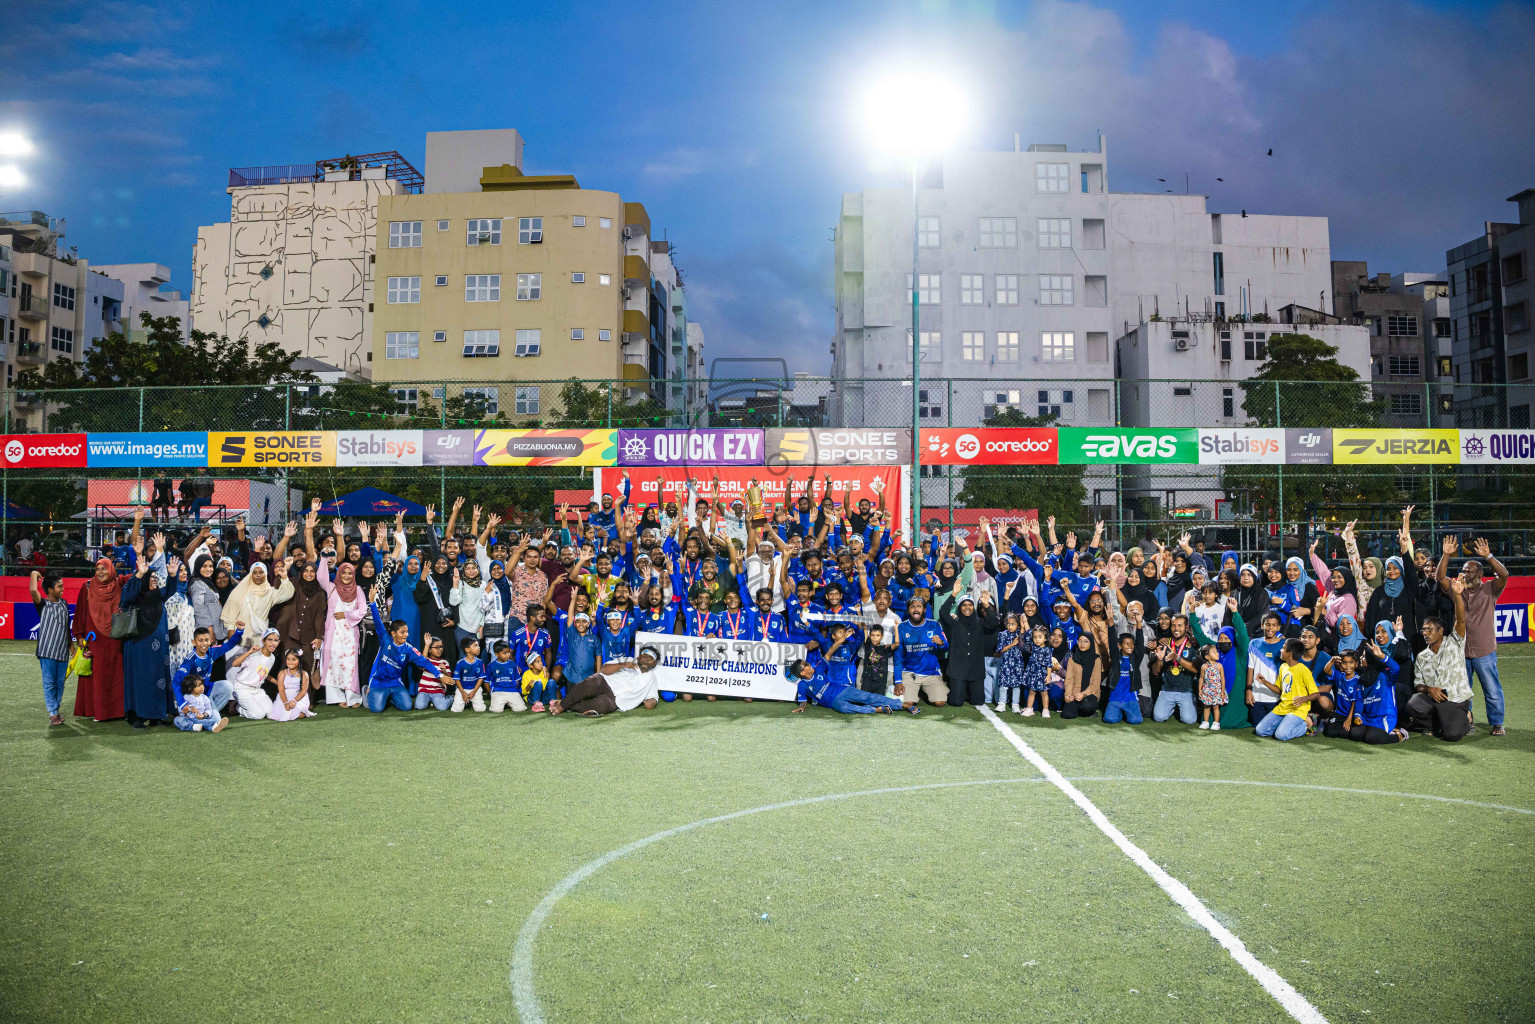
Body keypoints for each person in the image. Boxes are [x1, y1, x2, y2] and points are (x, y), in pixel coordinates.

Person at [1439, 535, 1508, 736]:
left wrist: (1489, 556)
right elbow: (1440, 578)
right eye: (1464, 571)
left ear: (1480, 573)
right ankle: (1466, 722)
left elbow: (1504, 575)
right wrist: (1446, 555)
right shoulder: (1457, 590)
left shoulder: (1490, 589)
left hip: (1484, 649)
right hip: (1461, 650)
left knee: (1492, 690)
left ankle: (1497, 723)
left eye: (1470, 571)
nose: (1465, 574)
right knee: (1462, 690)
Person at [1407, 575, 1473, 742]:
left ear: (1441, 630)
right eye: (1423, 630)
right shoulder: (1422, 657)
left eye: (1430, 630)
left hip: (1456, 700)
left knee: (1452, 735)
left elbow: (1461, 619)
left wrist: (1458, 595)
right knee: (1413, 704)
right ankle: (1434, 724)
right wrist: (1430, 690)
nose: (1425, 634)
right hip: (1434, 700)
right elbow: (1418, 685)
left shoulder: (1455, 642)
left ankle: (1468, 718)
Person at [121, 533, 173, 729]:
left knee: (158, 678)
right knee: (139, 680)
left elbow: (170, 588)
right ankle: (136, 716)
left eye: (155, 579)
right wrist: (140, 574)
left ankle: (157, 716)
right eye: (150, 579)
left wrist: (171, 571)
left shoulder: (158, 596)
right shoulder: (135, 594)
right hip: (138, 646)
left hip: (159, 650)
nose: (154, 581)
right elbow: (125, 597)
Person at [73, 554, 133, 722]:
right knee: (97, 676)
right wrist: (79, 636)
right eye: (97, 569)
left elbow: (136, 576)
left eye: (104, 568)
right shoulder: (87, 586)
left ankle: (118, 711)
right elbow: (80, 613)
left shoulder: (119, 583)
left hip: (116, 637)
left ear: (111, 569)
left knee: (117, 675)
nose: (100, 572)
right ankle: (98, 712)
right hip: (94, 639)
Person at [789, 642, 916, 716]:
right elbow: (803, 700)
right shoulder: (802, 685)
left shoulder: (818, 668)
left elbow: (829, 652)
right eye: (806, 665)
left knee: (867, 696)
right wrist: (802, 706)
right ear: (802, 672)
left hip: (842, 690)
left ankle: (902, 705)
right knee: (845, 708)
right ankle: (876, 710)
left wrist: (842, 639)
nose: (809, 665)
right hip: (833, 702)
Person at [363, 592, 437, 714]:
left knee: (407, 706)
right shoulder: (385, 640)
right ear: (393, 634)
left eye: (407, 632)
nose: (406, 635)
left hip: (395, 682)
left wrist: (439, 675)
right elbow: (377, 621)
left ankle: (389, 697)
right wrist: (372, 603)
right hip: (378, 682)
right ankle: (367, 690)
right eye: (402, 632)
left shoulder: (408, 648)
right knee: (377, 709)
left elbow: (424, 662)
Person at [551, 645, 662, 717]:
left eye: (651, 658)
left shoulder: (652, 678)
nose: (647, 659)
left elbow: (654, 696)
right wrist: (622, 665)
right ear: (638, 657)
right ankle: (562, 706)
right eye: (645, 656)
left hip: (616, 701)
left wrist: (653, 702)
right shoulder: (628, 660)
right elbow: (603, 670)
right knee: (591, 682)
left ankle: (567, 704)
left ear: (654, 663)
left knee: (601, 706)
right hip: (605, 682)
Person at [1254, 639, 1322, 741]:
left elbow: (1316, 694)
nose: (1281, 650)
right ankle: (1284, 726)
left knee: (1281, 735)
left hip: (1297, 710)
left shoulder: (1304, 670)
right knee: (1260, 731)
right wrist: (1265, 682)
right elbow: (1280, 690)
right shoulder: (1283, 667)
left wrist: (1303, 699)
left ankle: (1307, 724)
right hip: (1283, 708)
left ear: (1289, 654)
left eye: (1283, 648)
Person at [940, 593, 999, 708]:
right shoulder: (954, 623)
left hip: (975, 668)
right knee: (956, 703)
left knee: (978, 701)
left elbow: (993, 623)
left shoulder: (980, 623)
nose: (967, 608)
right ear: (959, 607)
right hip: (958, 668)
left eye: (970, 605)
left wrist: (986, 605)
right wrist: (953, 595)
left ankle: (966, 692)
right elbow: (943, 612)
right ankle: (959, 691)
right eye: (964, 605)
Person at [30, 571, 71, 726]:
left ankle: (56, 709)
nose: (62, 589)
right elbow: (33, 590)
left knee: (60, 683)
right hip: (47, 652)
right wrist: (34, 573)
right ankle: (53, 713)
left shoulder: (64, 603)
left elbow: (67, 626)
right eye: (59, 586)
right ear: (50, 590)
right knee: (49, 683)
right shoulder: (42, 604)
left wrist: (71, 646)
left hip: (62, 652)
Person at [896, 597, 948, 709]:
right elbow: (898, 655)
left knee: (940, 702)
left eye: (919, 606)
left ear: (924, 609)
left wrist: (941, 643)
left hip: (930, 672)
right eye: (912, 607)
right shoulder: (902, 627)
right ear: (908, 610)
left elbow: (946, 648)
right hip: (910, 673)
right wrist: (898, 681)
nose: (915, 610)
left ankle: (931, 689)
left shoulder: (934, 625)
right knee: (908, 703)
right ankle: (915, 691)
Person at [1151, 615, 1199, 724]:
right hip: (1167, 689)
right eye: (1173, 625)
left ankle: (1188, 704)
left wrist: (1177, 658)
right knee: (1158, 717)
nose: (1176, 628)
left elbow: (1195, 670)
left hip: (1186, 690)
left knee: (1189, 720)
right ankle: (1173, 707)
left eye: (1180, 625)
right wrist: (1159, 660)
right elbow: (1155, 672)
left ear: (1186, 628)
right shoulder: (1165, 646)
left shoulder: (1192, 646)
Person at [227, 629, 281, 720]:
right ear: (263, 641)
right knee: (258, 714)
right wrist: (249, 652)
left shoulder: (272, 658)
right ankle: (236, 707)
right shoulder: (254, 654)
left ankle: (248, 704)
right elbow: (234, 664)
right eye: (270, 640)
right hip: (242, 688)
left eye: (276, 640)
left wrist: (275, 681)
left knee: (271, 712)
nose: (273, 643)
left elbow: (262, 673)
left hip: (257, 690)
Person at [1246, 612, 1286, 728]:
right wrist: (1248, 690)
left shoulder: (1284, 645)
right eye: (1268, 624)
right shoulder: (1254, 643)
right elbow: (1250, 668)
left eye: (1274, 625)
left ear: (1279, 627)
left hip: (1276, 696)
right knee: (1257, 726)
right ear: (1262, 625)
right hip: (1257, 695)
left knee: (1274, 727)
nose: (1270, 628)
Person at [1103, 631, 1146, 724]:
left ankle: (1127, 711)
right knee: (1109, 719)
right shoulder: (1115, 659)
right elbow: (1112, 640)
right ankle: (1119, 713)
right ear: (1119, 646)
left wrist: (1139, 624)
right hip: (1116, 697)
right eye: (1127, 643)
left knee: (1136, 720)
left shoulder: (1135, 659)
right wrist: (1110, 623)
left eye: (1132, 644)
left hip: (1130, 697)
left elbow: (1140, 644)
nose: (1130, 646)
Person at [990, 612, 1027, 713]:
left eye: (1013, 624)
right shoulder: (1003, 634)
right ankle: (1002, 704)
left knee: (1016, 686)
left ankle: (1015, 704)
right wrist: (1012, 644)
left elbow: (1025, 642)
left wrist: (1023, 625)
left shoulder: (1019, 634)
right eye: (1008, 624)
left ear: (1018, 625)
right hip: (1006, 663)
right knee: (1004, 684)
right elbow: (1000, 650)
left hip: (1017, 664)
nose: (1010, 626)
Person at [1061, 632, 1101, 719]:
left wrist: (1083, 694)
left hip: (1090, 693)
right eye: (1080, 641)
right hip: (1075, 693)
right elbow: (1069, 680)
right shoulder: (1072, 659)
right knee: (1066, 715)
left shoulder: (1096, 659)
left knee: (1086, 707)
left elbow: (1095, 683)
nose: (1082, 644)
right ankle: (1077, 707)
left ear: (1091, 643)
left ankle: (1091, 709)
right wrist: (1068, 694)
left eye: (1086, 641)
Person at [267, 649, 313, 722]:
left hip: (298, 696)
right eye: (288, 659)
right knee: (279, 713)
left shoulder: (304, 674)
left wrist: (294, 701)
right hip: (284, 696)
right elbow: (281, 690)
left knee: (300, 714)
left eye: (293, 660)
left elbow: (303, 691)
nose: (290, 662)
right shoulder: (282, 673)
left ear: (299, 661)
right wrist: (285, 703)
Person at [1018, 624, 1053, 717]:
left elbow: (1049, 664)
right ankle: (1029, 708)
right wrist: (1025, 623)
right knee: (1031, 691)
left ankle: (1045, 710)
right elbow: (1029, 633)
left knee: (1044, 693)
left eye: (1040, 637)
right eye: (1035, 637)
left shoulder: (1047, 650)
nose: (1037, 639)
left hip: (1042, 674)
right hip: (1032, 673)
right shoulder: (1033, 647)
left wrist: (1048, 676)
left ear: (1045, 638)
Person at [485, 641, 525, 713]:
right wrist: (491, 692)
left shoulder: (513, 664)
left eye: (508, 652)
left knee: (521, 708)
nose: (508, 655)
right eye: (505, 653)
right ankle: (501, 703)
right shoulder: (491, 666)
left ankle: (507, 702)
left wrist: (513, 688)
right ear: (496, 654)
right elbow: (486, 682)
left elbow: (517, 679)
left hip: (512, 690)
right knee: (496, 710)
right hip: (498, 691)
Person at [1197, 644, 1228, 730]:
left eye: (1216, 651)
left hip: (1217, 690)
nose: (1217, 653)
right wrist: (1200, 689)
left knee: (1216, 707)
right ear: (1207, 656)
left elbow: (1222, 678)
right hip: (1207, 690)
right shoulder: (1204, 667)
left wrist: (1222, 691)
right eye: (1214, 652)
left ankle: (1216, 723)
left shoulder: (1219, 666)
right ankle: (1206, 722)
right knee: (1206, 706)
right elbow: (1201, 678)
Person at [452, 637, 487, 713]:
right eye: (475, 646)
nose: (479, 648)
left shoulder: (480, 662)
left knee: (480, 709)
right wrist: (463, 693)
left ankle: (471, 702)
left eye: (478, 645)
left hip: (475, 689)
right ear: (467, 649)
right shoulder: (460, 663)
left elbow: (481, 678)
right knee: (456, 710)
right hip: (462, 689)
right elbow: (457, 679)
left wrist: (474, 691)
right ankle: (463, 701)